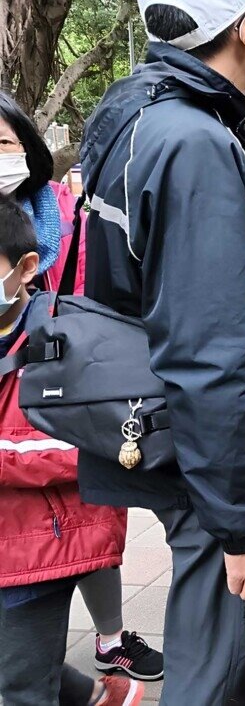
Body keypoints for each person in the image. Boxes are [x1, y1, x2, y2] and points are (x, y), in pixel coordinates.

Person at [79, 0, 245, 701]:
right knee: (215, 672)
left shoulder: (144, 114)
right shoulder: (191, 141)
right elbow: (210, 348)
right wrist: (244, 523)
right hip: (214, 468)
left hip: (191, 450)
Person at [0, 92, 164, 681]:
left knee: (82, 506)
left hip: (60, 368)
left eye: (3, 143)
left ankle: (110, 637)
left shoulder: (67, 217)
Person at [0, 197, 145, 706]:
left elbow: (99, 438)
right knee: (18, 667)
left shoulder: (67, 338)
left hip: (36, 542)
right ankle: (95, 697)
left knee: (20, 687)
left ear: (26, 268)